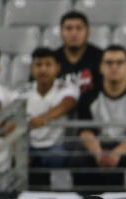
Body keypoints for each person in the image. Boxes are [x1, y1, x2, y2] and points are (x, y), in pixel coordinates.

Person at [74, 45, 126, 189]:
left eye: (119, 62)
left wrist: (117, 153)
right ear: (101, 67)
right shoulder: (88, 96)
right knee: (78, 161)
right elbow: (85, 131)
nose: (114, 67)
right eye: (109, 63)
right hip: (98, 147)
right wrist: (99, 154)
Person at [23, 47, 79, 186]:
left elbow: (68, 103)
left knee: (57, 157)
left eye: (48, 64)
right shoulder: (23, 91)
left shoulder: (67, 87)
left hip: (56, 145)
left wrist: (44, 118)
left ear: (57, 68)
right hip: (29, 146)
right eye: (38, 65)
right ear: (32, 68)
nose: (43, 69)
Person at [54, 11, 103, 94]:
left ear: (87, 32)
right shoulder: (51, 60)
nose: (74, 33)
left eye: (79, 28)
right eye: (69, 28)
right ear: (61, 32)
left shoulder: (102, 58)